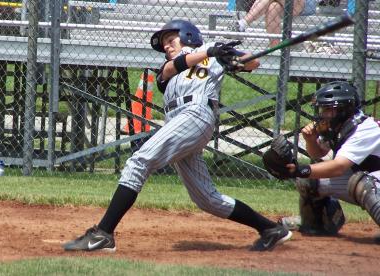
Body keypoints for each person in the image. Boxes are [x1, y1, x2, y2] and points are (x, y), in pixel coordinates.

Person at [62, 19, 292, 253]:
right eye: (164, 44)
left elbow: (254, 62)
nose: (167, 47)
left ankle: (103, 234)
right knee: (207, 199)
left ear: (189, 36)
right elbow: (173, 68)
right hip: (180, 123)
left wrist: (233, 58)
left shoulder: (214, 53)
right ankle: (270, 229)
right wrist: (209, 52)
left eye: (170, 40)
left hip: (196, 114)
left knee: (139, 161)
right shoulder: (172, 67)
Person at [280, 81, 380, 235]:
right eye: (322, 108)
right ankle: (318, 224)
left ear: (343, 110)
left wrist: (299, 169)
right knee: (310, 179)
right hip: (372, 177)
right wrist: (311, 140)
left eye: (327, 109)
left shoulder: (365, 129)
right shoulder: (340, 126)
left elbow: (338, 167)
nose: (322, 114)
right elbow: (317, 154)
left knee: (365, 184)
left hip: (373, 180)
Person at [234, 0, 317, 47]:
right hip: (281, 3)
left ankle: (242, 24)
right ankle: (275, 48)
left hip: (305, 3)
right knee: (273, 7)